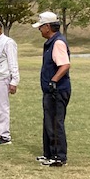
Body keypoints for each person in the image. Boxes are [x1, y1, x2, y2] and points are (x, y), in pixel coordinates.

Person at [33, 11, 71, 167]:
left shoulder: (58, 43)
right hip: (50, 90)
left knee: (56, 122)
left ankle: (58, 155)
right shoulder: (51, 42)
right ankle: (48, 152)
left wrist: (53, 81)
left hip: (57, 90)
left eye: (41, 27)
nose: (39, 30)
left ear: (48, 27)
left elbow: (65, 65)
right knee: (48, 121)